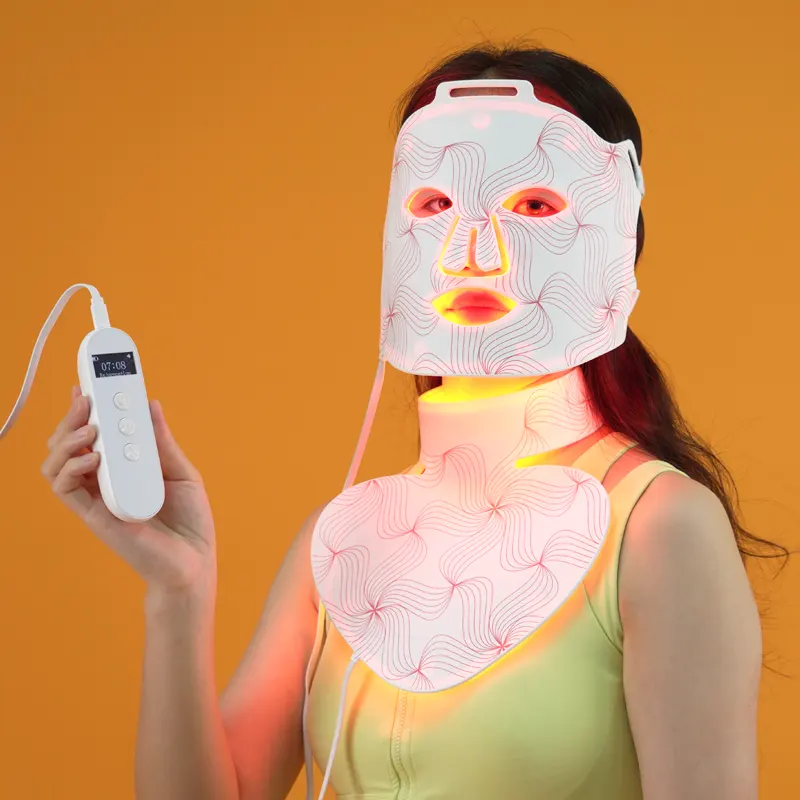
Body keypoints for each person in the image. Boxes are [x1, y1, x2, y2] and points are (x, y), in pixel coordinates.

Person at [40, 43, 786, 800]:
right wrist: (178, 592)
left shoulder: (659, 526)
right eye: (435, 205)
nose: (473, 253)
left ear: (619, 235)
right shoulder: (343, 538)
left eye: (533, 205)